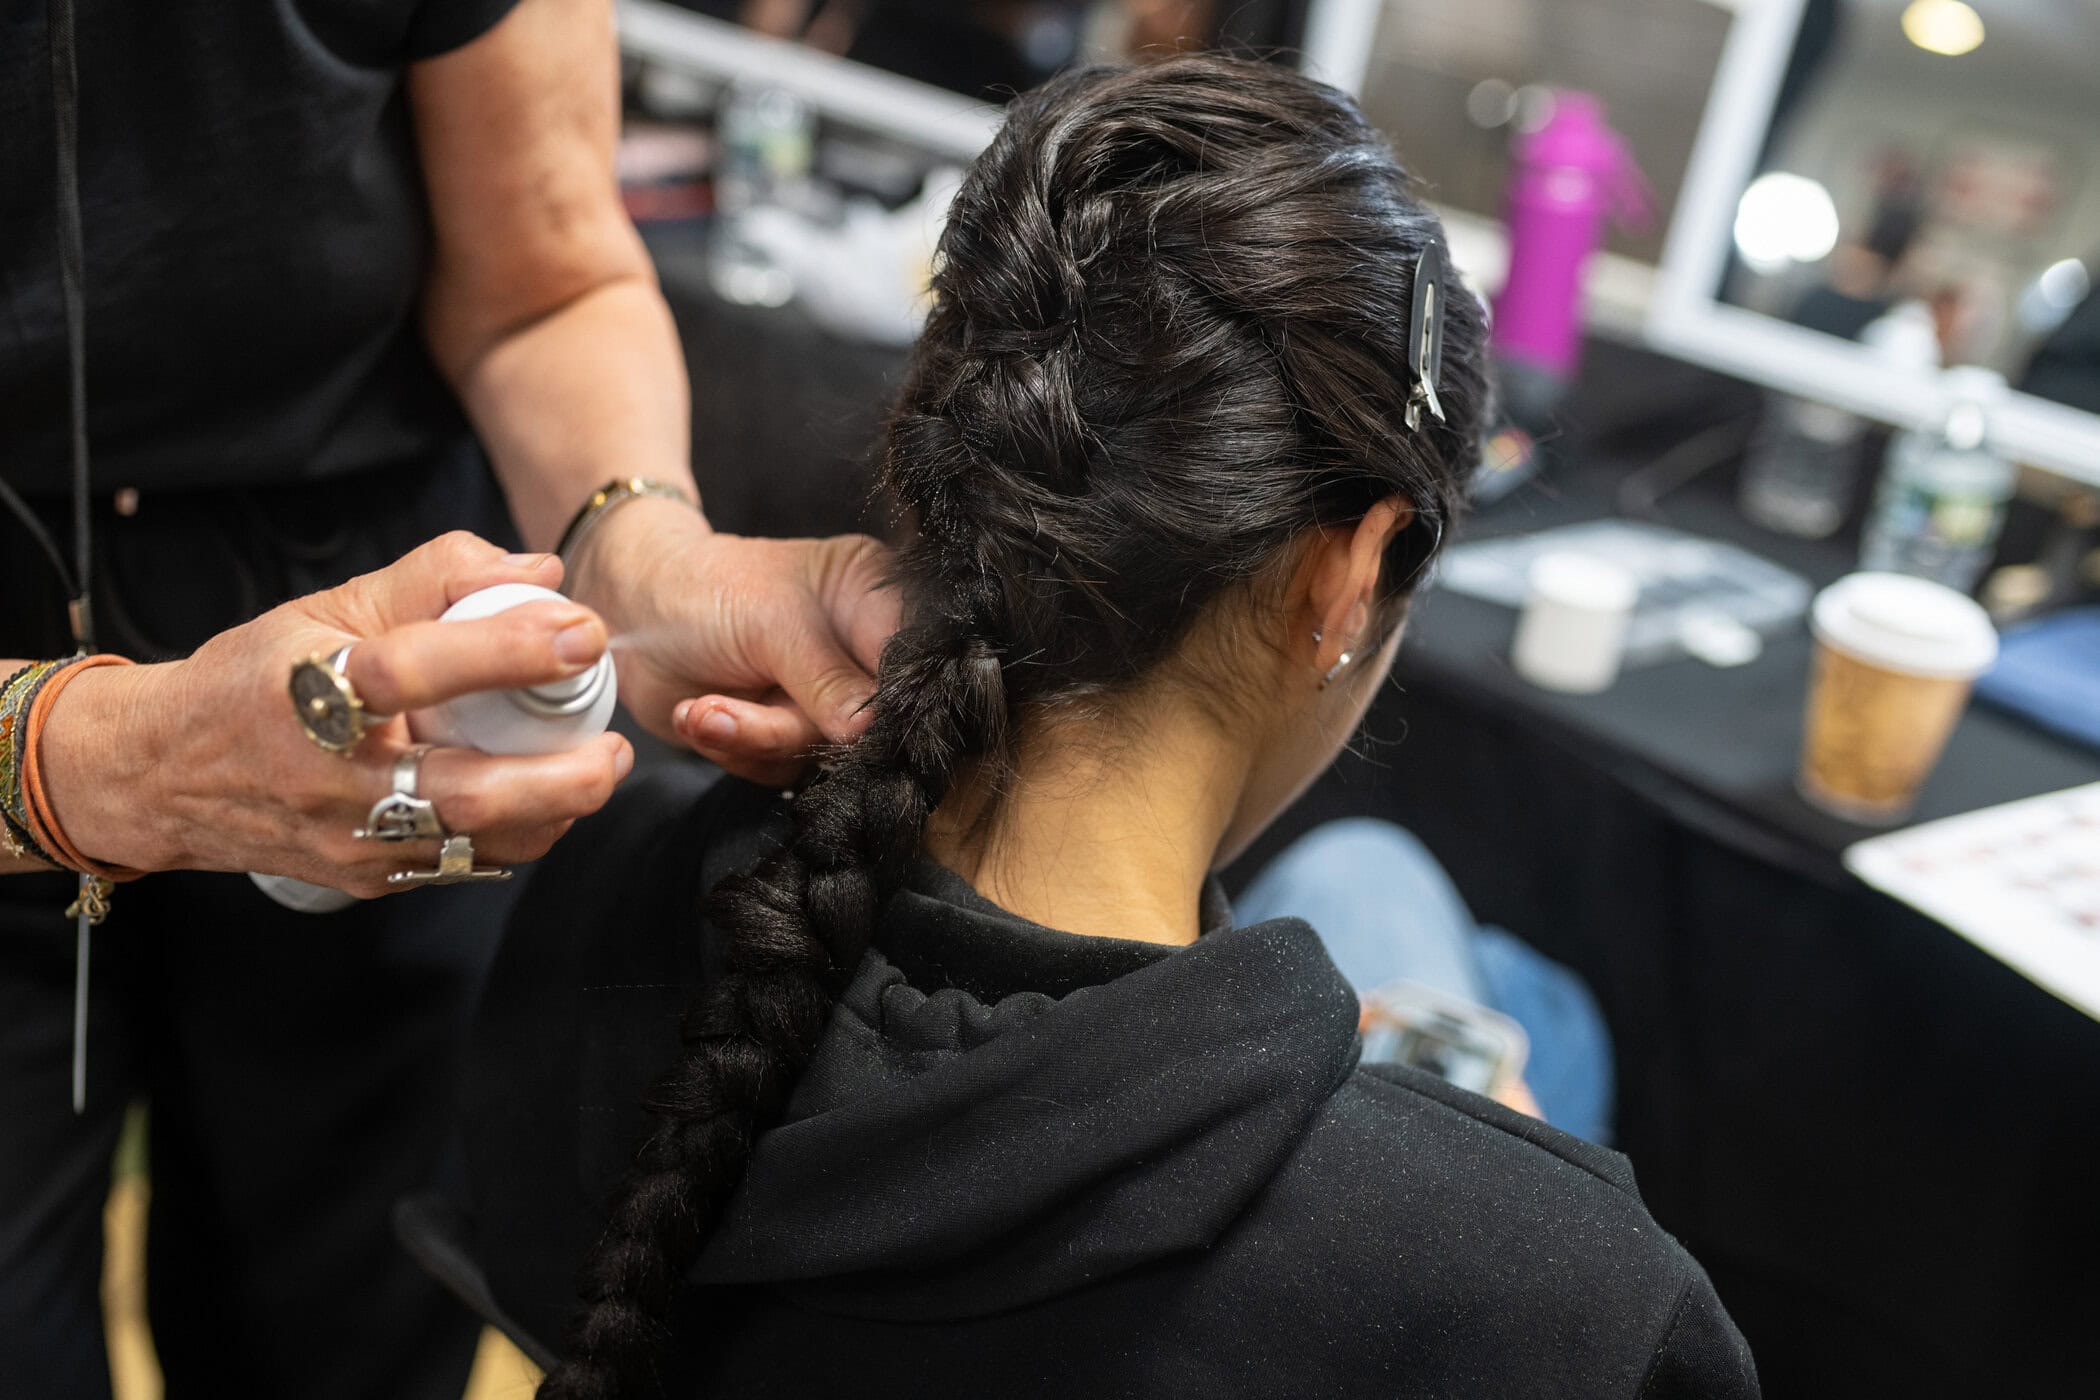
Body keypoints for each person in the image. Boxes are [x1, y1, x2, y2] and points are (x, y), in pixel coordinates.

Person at [428, 56, 1759, 1397]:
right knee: (1477, 964)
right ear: (1348, 580)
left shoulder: (615, 891)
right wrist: (1481, 1179)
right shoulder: (1556, 1302)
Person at [0, 1, 891, 1395]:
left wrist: (639, 552)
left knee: (351, 1320)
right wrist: (101, 761)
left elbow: (543, 274)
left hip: (386, 623)